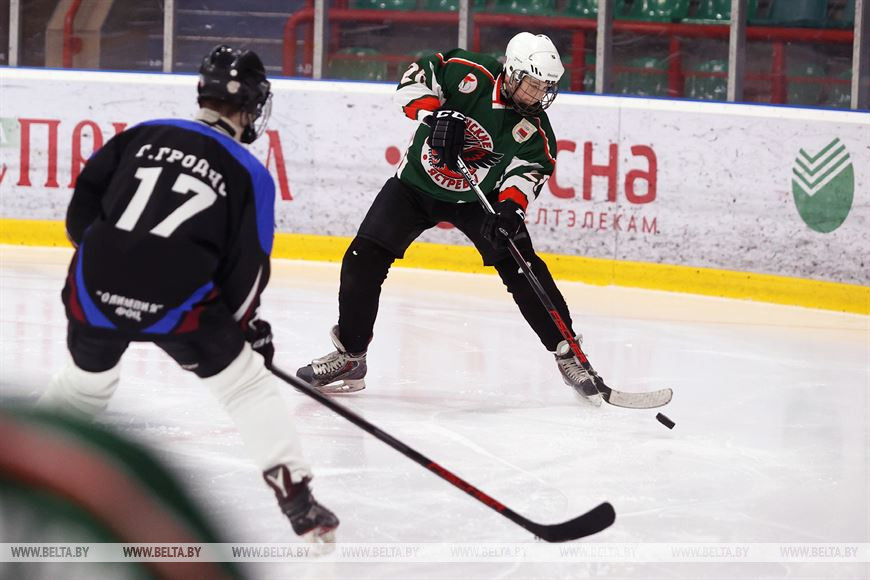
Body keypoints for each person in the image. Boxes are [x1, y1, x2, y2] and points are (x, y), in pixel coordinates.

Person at [37, 45, 339, 544]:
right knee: (245, 388)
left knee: (85, 386)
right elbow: (247, 269)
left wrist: (112, 260)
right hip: (180, 301)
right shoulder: (250, 172)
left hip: (93, 285)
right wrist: (246, 333)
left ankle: (24, 471)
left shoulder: (140, 134)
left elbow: (79, 215)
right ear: (250, 104)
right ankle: (297, 501)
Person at [297, 32, 605, 406]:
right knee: (362, 259)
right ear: (511, 72)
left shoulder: (535, 129)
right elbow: (415, 78)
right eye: (532, 84)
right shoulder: (467, 72)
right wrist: (434, 113)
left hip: (478, 200)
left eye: (545, 88)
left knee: (523, 269)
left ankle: (568, 352)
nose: (537, 95)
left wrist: (511, 208)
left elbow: (530, 170)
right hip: (413, 186)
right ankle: (351, 356)